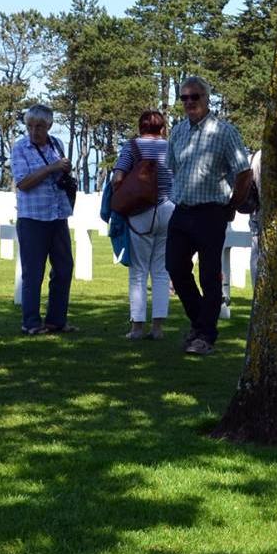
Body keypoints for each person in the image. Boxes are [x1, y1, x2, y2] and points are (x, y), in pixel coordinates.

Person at [166, 76, 251, 357]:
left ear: (207, 98)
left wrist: (232, 205)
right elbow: (174, 169)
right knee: (175, 268)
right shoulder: (177, 132)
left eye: (195, 96)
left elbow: (244, 172)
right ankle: (200, 322)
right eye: (184, 98)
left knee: (209, 276)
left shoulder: (224, 132)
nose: (190, 102)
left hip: (211, 213)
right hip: (182, 211)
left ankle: (205, 336)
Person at [9, 105, 75, 335]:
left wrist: (64, 169)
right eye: (30, 126)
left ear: (49, 126)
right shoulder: (20, 149)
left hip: (57, 215)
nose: (34, 131)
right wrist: (51, 168)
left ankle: (56, 320)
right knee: (33, 272)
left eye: (40, 126)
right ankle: (31, 322)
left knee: (64, 268)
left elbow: (59, 171)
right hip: (33, 217)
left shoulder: (57, 144)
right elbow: (23, 183)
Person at [111, 108, 176, 339]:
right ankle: (157, 329)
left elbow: (118, 176)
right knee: (161, 271)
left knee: (138, 272)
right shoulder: (171, 146)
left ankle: (137, 328)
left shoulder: (132, 147)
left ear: (140, 127)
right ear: (162, 128)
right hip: (168, 209)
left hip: (141, 211)